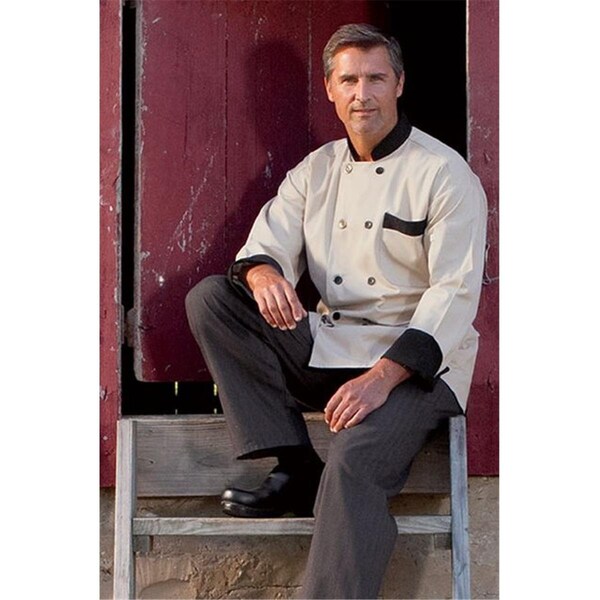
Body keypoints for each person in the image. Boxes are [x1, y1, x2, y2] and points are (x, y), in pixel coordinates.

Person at [185, 23, 487, 599]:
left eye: (376, 79)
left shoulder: (444, 173)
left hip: (421, 365)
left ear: (399, 84)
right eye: (349, 80)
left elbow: (454, 294)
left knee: (352, 462)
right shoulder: (316, 170)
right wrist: (264, 273)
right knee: (214, 299)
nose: (362, 94)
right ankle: (297, 465)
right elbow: (264, 244)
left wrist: (382, 379)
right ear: (330, 89)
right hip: (333, 343)